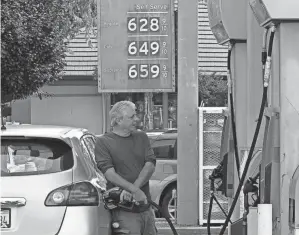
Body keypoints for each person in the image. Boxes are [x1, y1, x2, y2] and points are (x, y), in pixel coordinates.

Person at [95, 100, 157, 235]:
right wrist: (134, 190)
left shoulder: (141, 136)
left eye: (135, 115)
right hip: (123, 210)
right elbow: (109, 173)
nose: (136, 119)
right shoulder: (103, 142)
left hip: (145, 206)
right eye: (131, 117)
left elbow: (150, 164)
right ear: (118, 120)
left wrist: (135, 189)